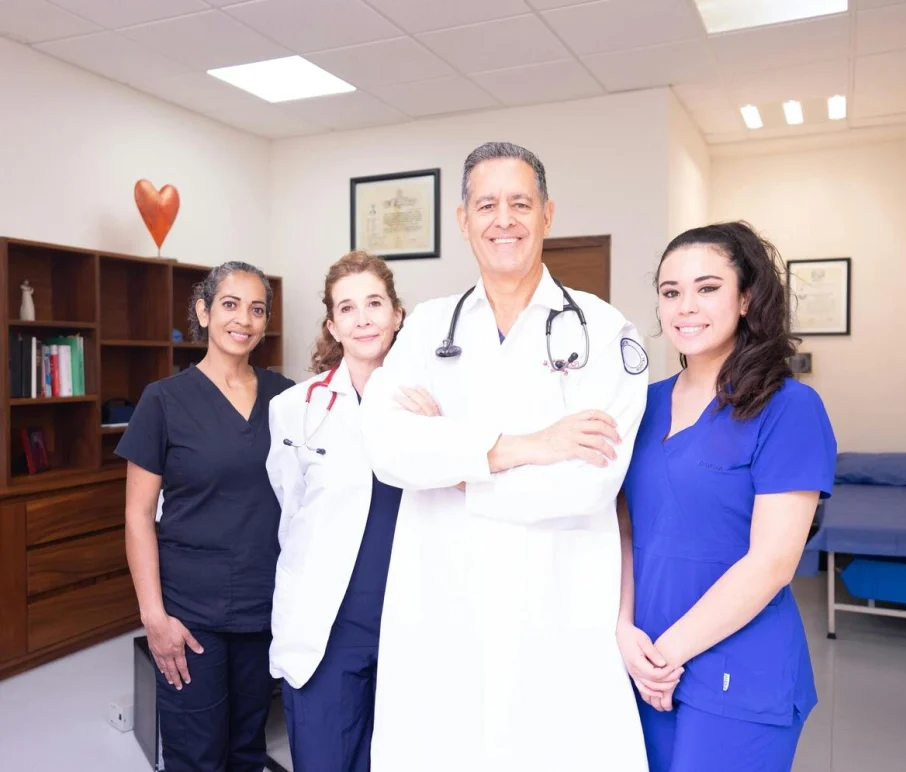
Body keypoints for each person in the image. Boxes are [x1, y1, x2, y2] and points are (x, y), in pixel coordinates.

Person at [358, 141, 651, 771]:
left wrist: (453, 464)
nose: (504, 219)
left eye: (520, 203)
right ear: (463, 221)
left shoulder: (604, 332)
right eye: (486, 204)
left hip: (556, 607)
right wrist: (529, 447)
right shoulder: (426, 329)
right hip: (443, 605)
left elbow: (586, 486)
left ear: (548, 214)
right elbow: (386, 448)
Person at [617, 222, 838, 772]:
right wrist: (622, 630)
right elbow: (621, 528)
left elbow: (772, 564)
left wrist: (666, 657)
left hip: (736, 670)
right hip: (639, 660)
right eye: (671, 292)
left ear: (746, 298)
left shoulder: (789, 409)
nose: (685, 306)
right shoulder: (639, 406)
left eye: (708, 287)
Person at [117, 262, 294, 772]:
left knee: (246, 749)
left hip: (265, 605)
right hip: (190, 616)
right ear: (203, 311)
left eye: (257, 309)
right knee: (197, 755)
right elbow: (137, 516)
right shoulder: (164, 401)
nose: (244, 319)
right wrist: (154, 616)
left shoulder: (286, 397)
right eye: (230, 304)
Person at [265, 252, 405, 772]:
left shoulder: (432, 404)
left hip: (409, 617)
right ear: (332, 324)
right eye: (348, 308)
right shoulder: (295, 407)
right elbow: (291, 508)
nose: (363, 318)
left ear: (397, 313)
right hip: (328, 625)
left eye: (374, 303)